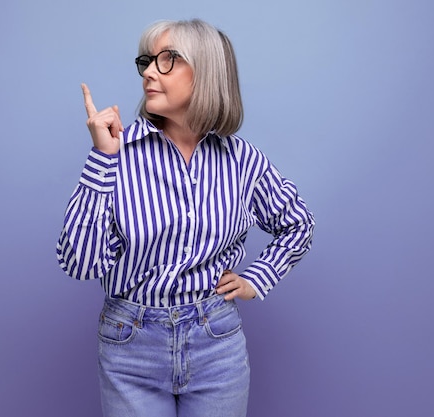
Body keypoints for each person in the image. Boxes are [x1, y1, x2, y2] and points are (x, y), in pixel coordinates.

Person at [57, 18, 315, 417]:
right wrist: (101, 159)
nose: (147, 72)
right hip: (131, 346)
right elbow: (79, 264)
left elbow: (298, 223)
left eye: (167, 60)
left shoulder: (240, 158)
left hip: (217, 343)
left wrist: (256, 279)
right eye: (146, 60)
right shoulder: (116, 155)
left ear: (206, 70)